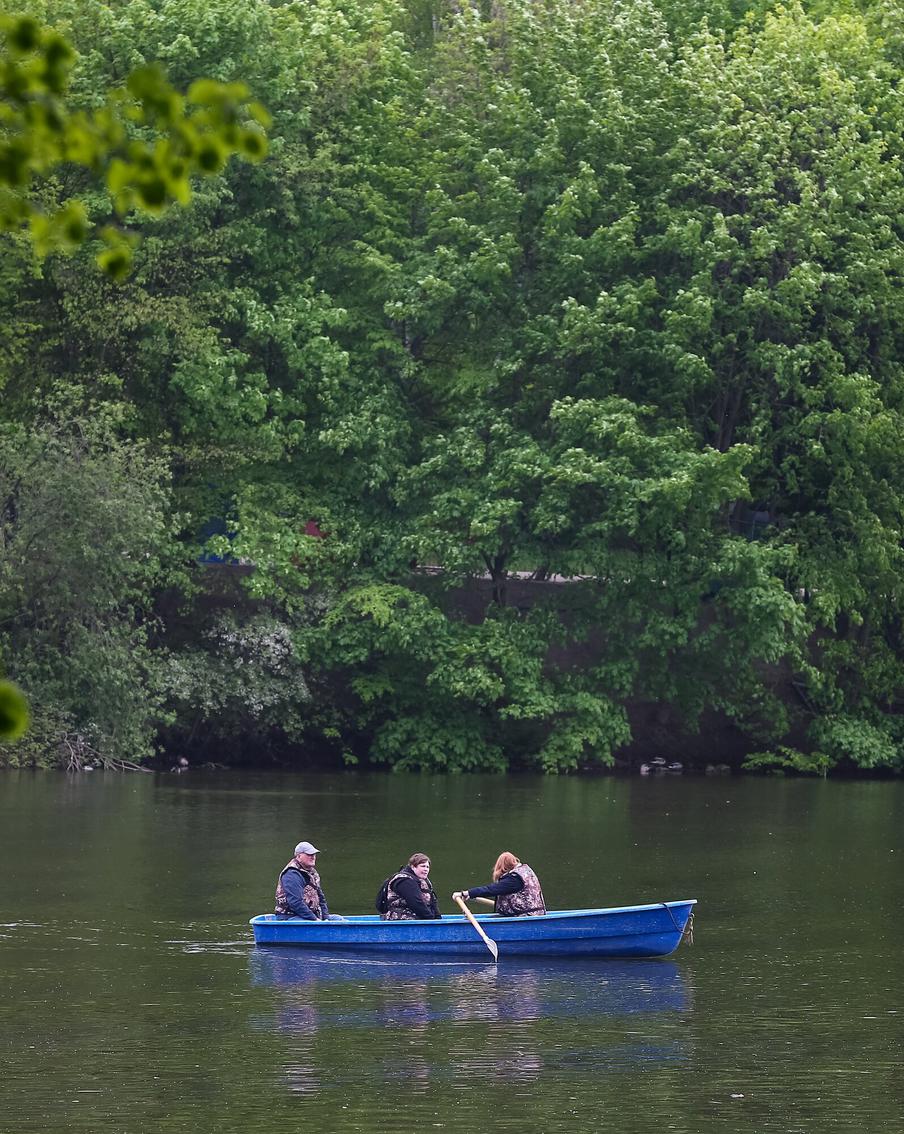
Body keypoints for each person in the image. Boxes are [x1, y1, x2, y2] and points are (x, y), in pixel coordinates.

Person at [453, 852, 546, 916]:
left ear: (504, 867)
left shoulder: (514, 879)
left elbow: (491, 890)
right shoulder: (525, 871)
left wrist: (466, 893)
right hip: (536, 913)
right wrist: (472, 895)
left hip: (525, 916)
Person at [275, 840, 334, 920]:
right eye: (309, 854)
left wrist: (326, 919)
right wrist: (315, 920)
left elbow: (321, 899)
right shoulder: (291, 874)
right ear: (298, 857)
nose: (313, 857)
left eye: (314, 854)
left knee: (340, 920)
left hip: (309, 916)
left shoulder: (312, 872)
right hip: (290, 917)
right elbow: (295, 902)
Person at [381, 853, 442, 920]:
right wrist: (430, 919)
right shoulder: (404, 881)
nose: (426, 869)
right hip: (402, 920)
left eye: (427, 867)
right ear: (413, 867)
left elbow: (433, 902)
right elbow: (416, 903)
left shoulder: (423, 880)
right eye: (422, 866)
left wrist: (438, 919)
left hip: (420, 918)